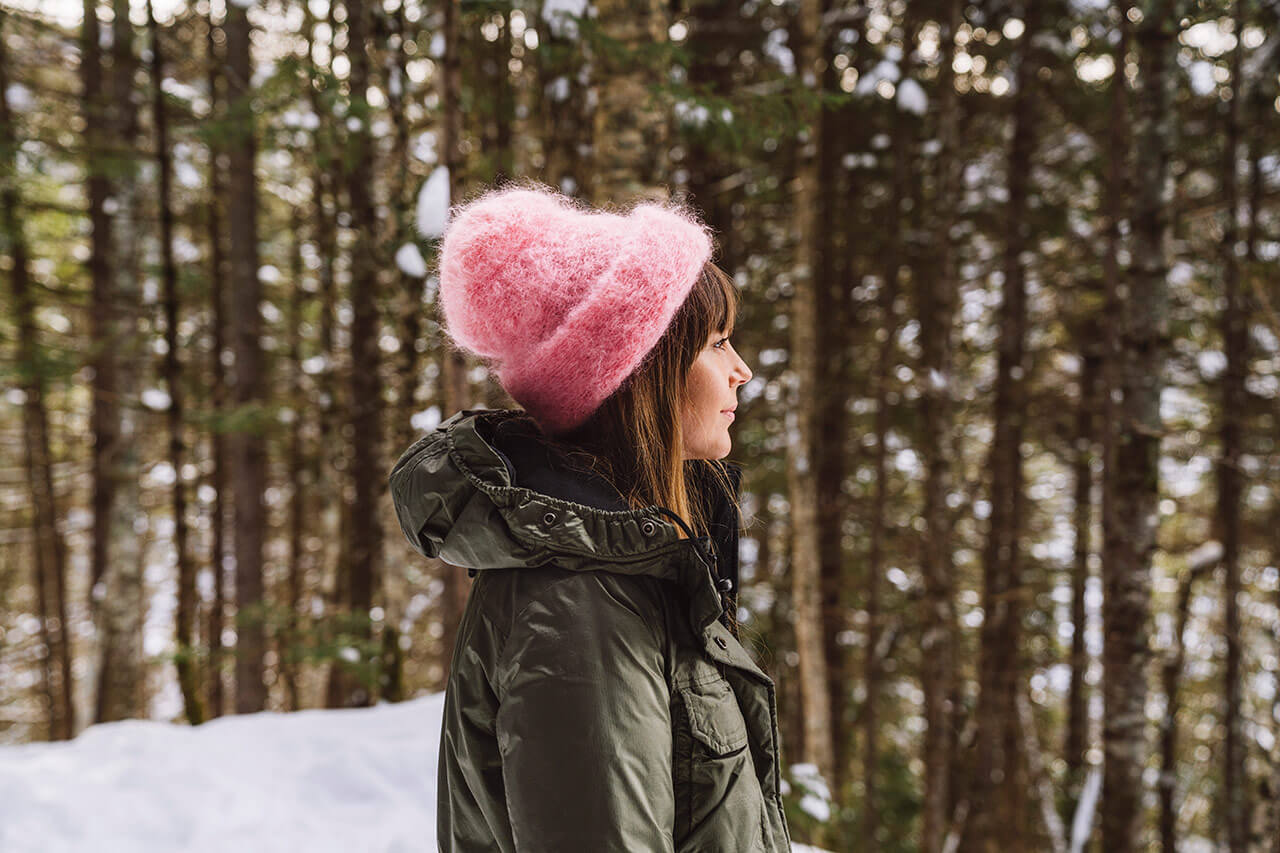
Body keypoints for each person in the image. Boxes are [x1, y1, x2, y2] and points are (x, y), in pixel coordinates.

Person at [388, 180, 792, 852]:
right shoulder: (578, 603)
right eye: (717, 343)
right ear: (643, 373)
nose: (741, 370)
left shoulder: (631, 566)